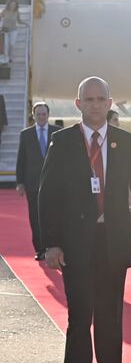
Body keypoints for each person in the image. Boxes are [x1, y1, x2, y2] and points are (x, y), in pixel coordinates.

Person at [38, 76, 131, 363]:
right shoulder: (63, 142)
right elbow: (49, 196)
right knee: (80, 319)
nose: (94, 104)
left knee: (110, 318)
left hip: (113, 243)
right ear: (78, 104)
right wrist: (52, 243)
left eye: (100, 98)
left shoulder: (127, 142)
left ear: (109, 102)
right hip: (75, 245)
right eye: (87, 99)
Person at [15, 102, 61, 260]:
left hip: (54, 183)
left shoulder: (57, 133)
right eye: (38, 114)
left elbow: (64, 159)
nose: (41, 117)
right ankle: (40, 249)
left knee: (55, 215)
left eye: (44, 114)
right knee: (35, 216)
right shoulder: (25, 134)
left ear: (48, 115)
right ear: (33, 115)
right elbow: (21, 159)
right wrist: (20, 182)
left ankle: (55, 246)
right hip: (33, 183)